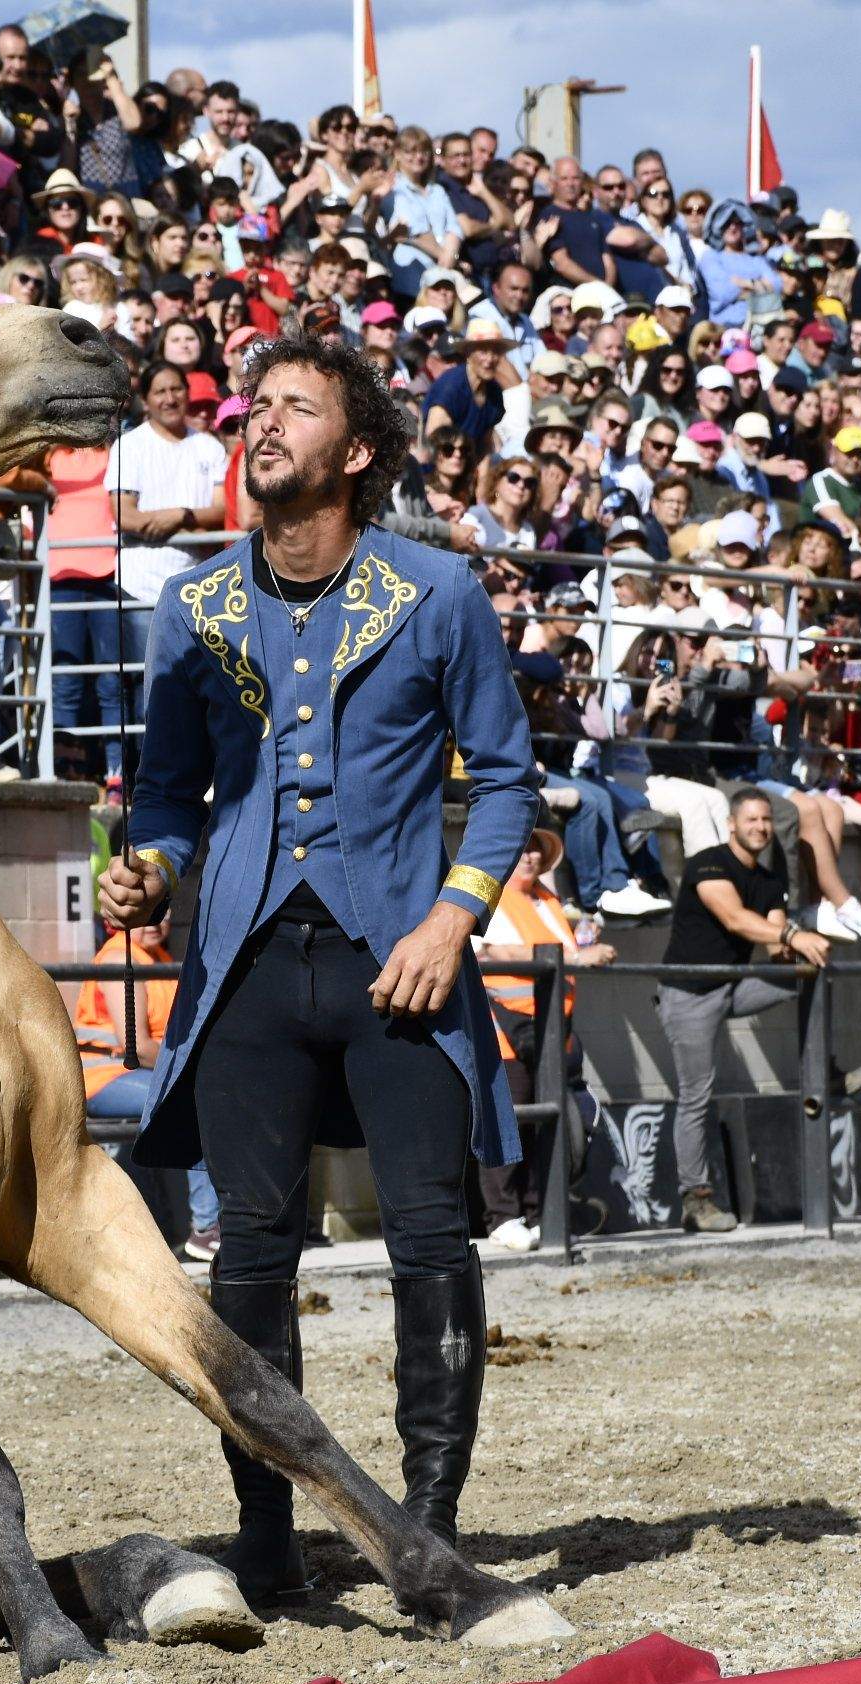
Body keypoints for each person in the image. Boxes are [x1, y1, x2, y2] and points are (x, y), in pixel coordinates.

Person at [100, 329, 539, 1596]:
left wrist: (453, 919)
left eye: (295, 405)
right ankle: (269, 1533)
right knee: (247, 1252)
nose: (262, 419)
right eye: (256, 402)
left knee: (429, 1241)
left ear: (354, 452)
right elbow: (168, 795)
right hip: (241, 970)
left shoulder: (439, 591)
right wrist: (158, 868)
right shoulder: (192, 609)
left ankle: (432, 1521)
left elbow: (505, 779)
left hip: (399, 958)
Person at [656, 787, 830, 1236]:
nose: (760, 828)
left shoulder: (771, 880)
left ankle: (828, 1068)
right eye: (751, 820)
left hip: (732, 987)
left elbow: (773, 940)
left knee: (812, 973)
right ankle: (696, 1202)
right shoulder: (709, 863)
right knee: (697, 1094)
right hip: (690, 993)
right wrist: (795, 935)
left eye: (766, 820)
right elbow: (734, 918)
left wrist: (800, 947)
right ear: (731, 823)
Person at [473, 826, 613, 1253]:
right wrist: (575, 956)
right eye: (523, 848)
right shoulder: (489, 893)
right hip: (505, 1029)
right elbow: (496, 951)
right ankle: (502, 1216)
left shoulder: (549, 901)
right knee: (509, 1122)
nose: (530, 857)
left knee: (543, 1125)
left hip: (550, 1027)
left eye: (536, 849)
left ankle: (536, 1212)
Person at [95, 359, 227, 786]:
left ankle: (188, 777)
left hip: (196, 587)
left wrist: (177, 516)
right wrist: (188, 518)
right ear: (146, 400)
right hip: (140, 585)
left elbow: (224, 510)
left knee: (193, 685)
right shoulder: (129, 446)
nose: (170, 398)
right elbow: (125, 516)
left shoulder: (208, 446)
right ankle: (136, 776)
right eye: (160, 392)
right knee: (141, 683)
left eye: (177, 389)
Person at [72, 915, 221, 1257]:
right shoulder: (117, 958)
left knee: (214, 1098)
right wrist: (192, 1070)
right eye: (147, 913)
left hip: (145, 1075)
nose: (157, 920)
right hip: (104, 1077)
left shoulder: (162, 960)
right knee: (190, 1105)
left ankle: (224, 1225)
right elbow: (135, 1045)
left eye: (165, 910)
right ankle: (206, 1228)